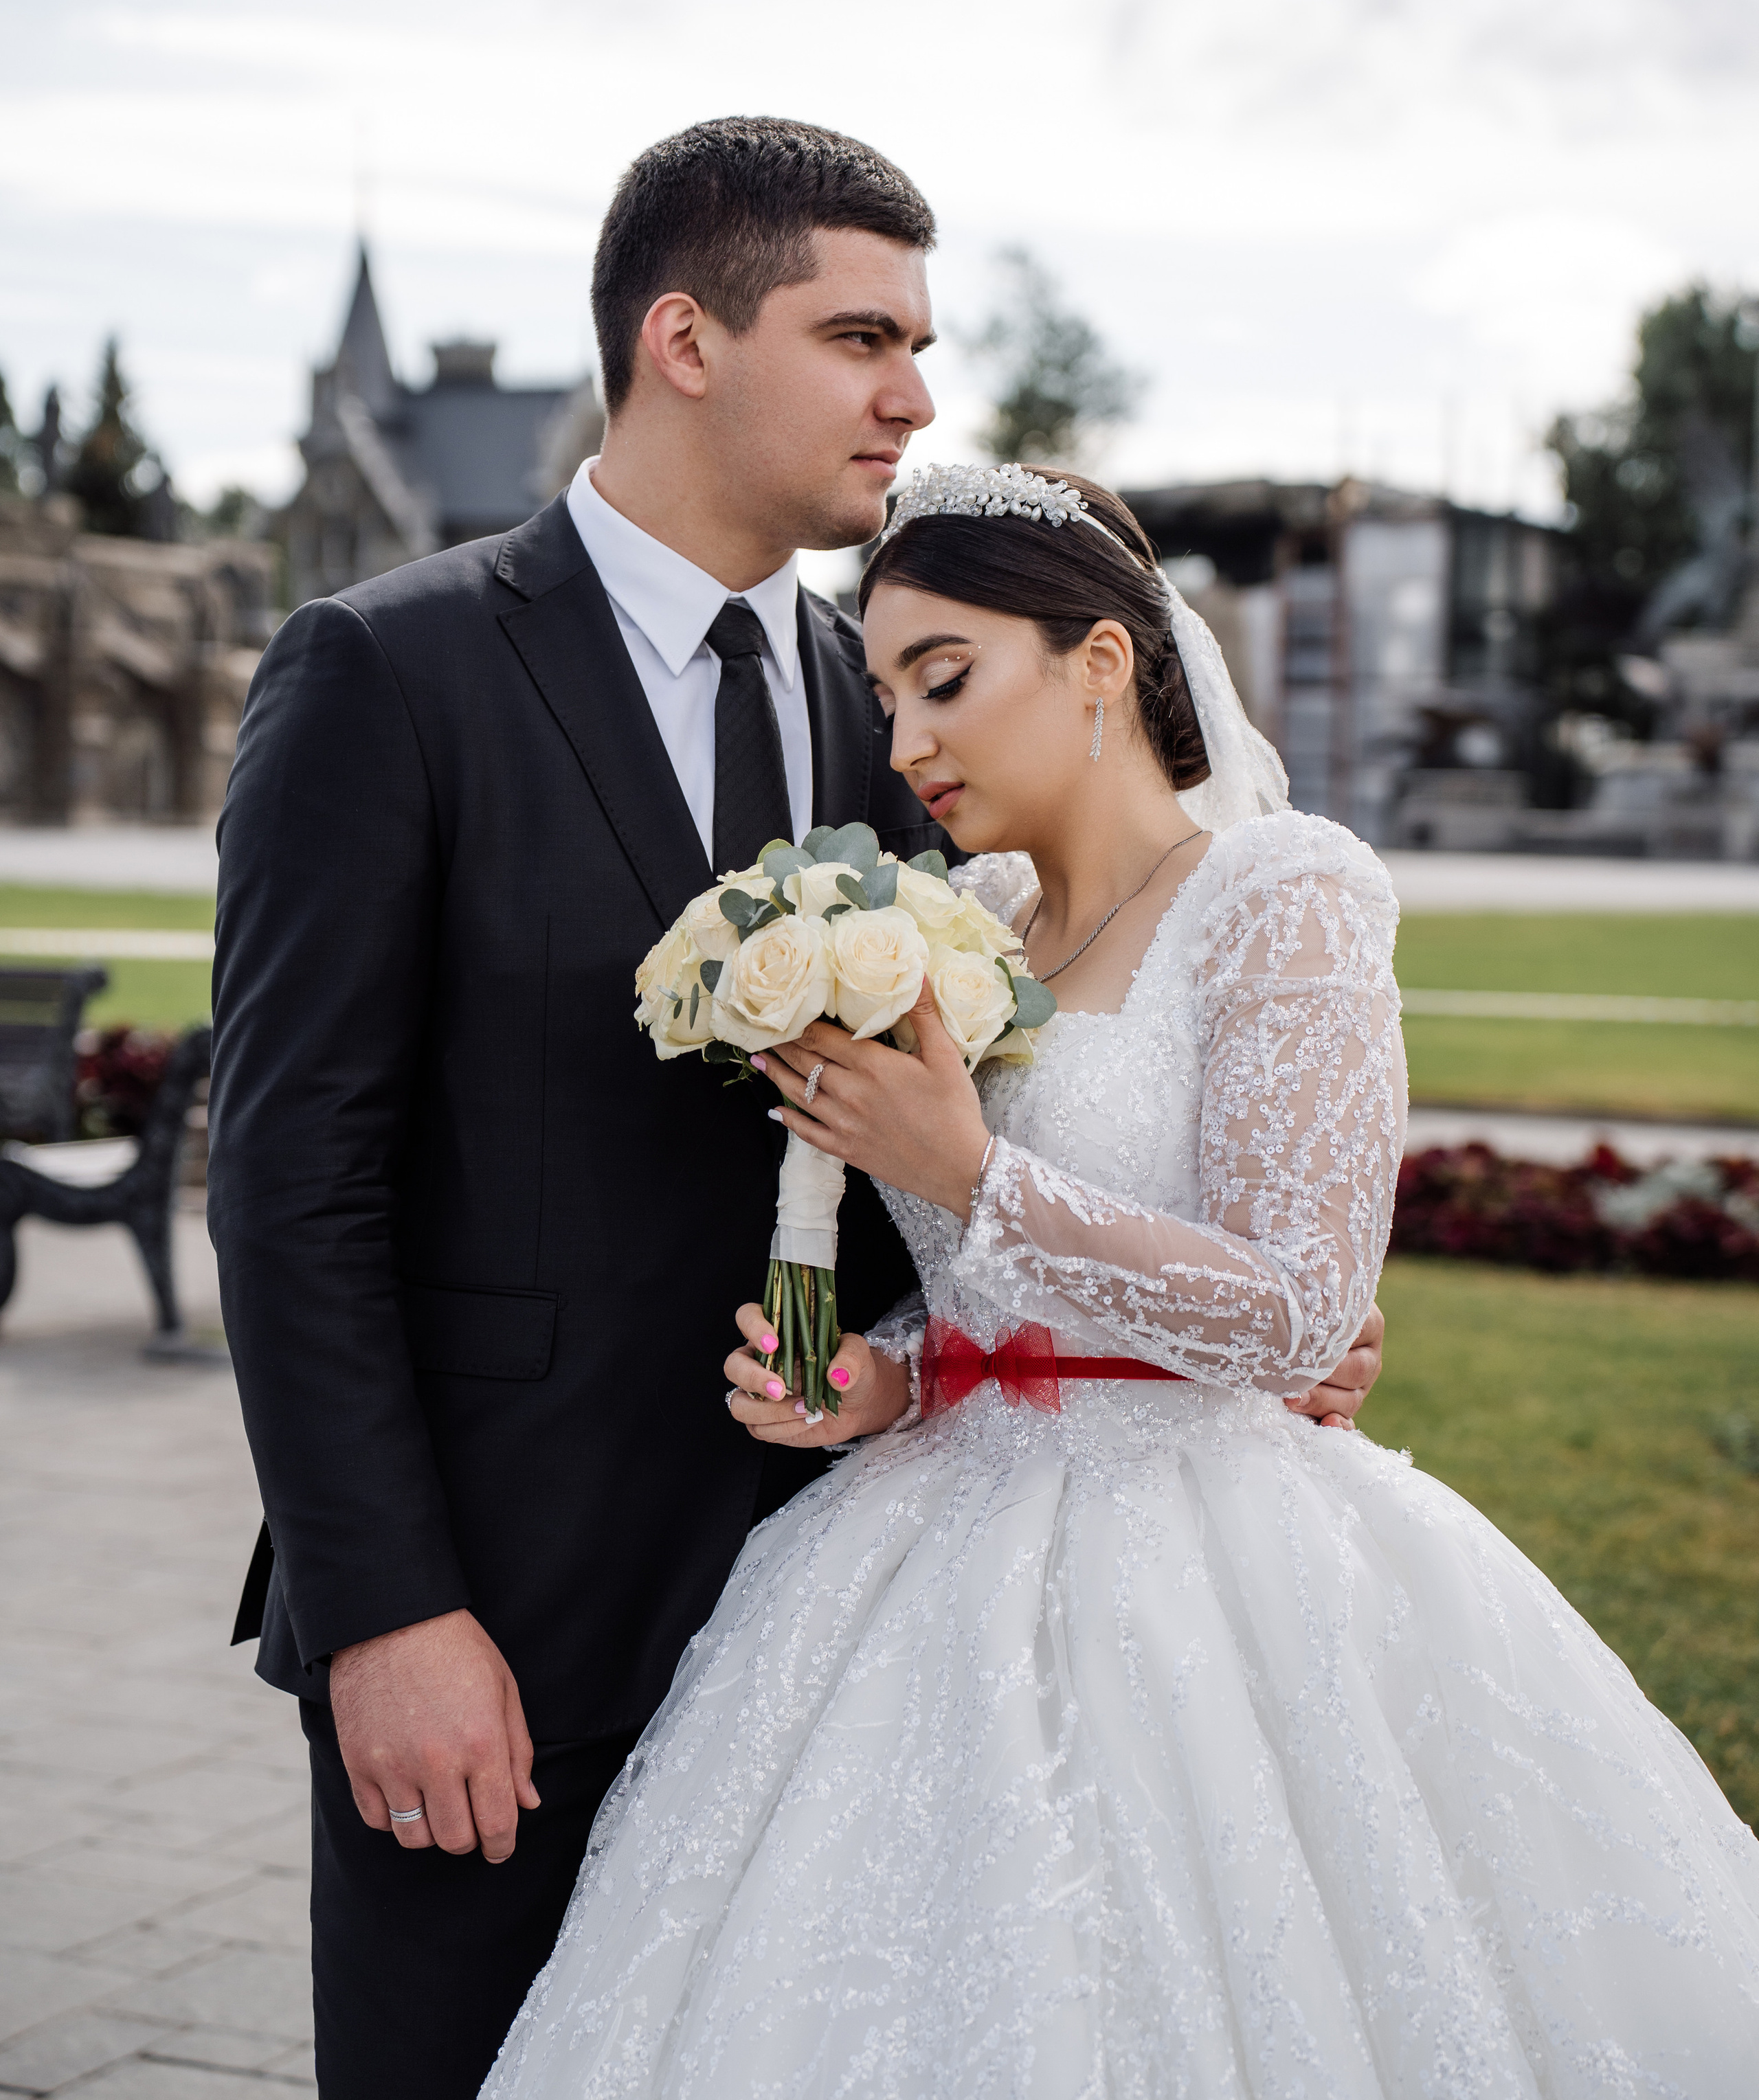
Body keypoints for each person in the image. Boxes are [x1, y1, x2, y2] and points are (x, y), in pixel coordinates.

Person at [208, 116, 1394, 2098]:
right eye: (862, 337)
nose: (913, 397)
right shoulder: (383, 671)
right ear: (686, 338)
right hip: (503, 1610)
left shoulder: (899, 703)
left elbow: (1085, 1071)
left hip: (854, 1605)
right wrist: (386, 1611)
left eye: (918, 343)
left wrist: (1249, 1296)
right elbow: (290, 1184)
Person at [482, 463, 1759, 2099]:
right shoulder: (964, 922)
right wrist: (882, 1372)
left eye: (944, 680)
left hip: (1206, 1562)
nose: (906, 741)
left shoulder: (1282, 892)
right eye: (882, 694)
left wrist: (968, 1168)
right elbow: (982, 1300)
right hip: (915, 1551)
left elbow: (1299, 1305)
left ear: (1097, 663)